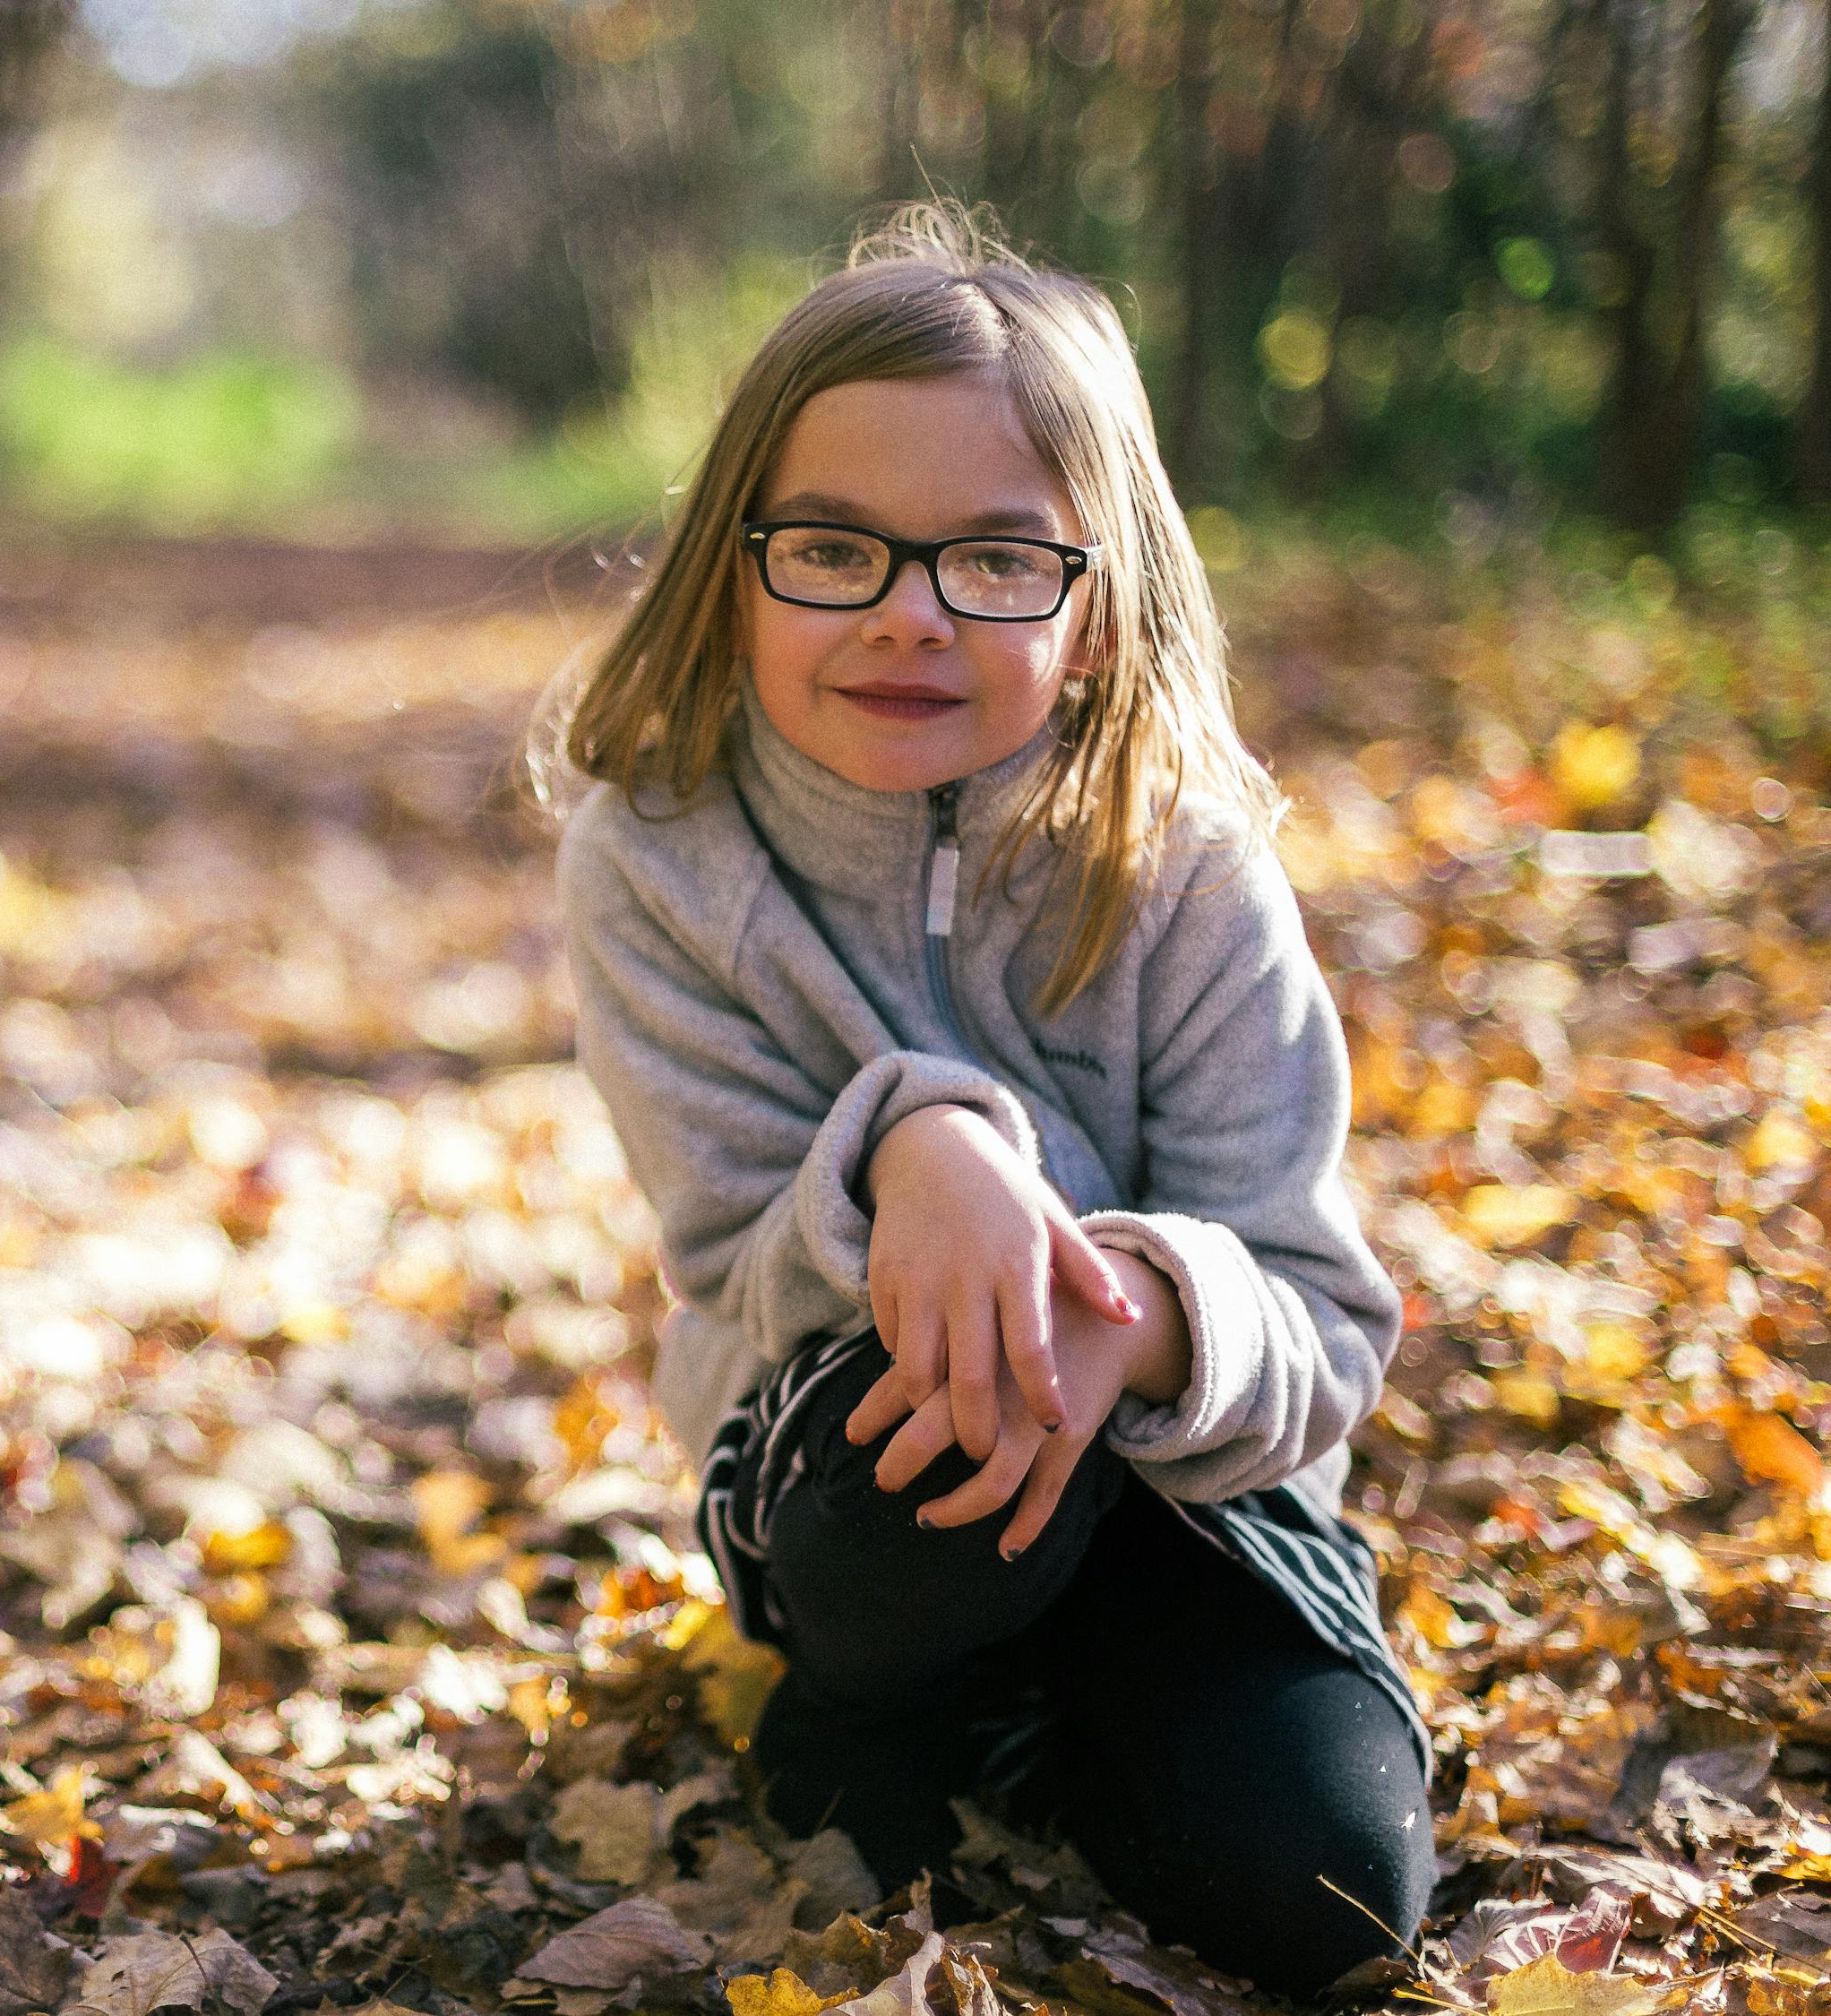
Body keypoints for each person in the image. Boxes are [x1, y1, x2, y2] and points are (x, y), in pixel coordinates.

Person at [539, 202, 1433, 2001]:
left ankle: (1085, 1716)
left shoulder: (1179, 864)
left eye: (993, 563)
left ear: (1094, 613)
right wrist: (925, 1141)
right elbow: (731, 1246)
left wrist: (1136, 1330)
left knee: (1326, 1898)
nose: (906, 617)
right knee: (913, 1470)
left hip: (1186, 1486)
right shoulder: (657, 858)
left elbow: (1322, 1311)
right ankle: (888, 1704)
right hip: (861, 1471)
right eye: (833, 551)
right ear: (729, 563)